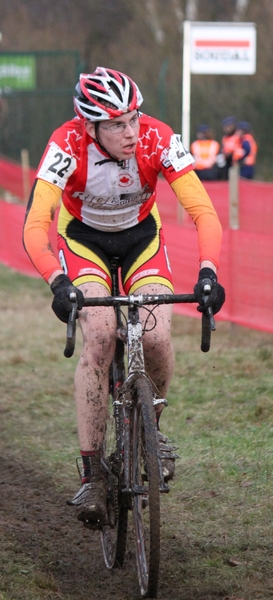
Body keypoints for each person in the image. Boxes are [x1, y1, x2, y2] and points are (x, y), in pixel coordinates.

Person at [23, 66, 225, 528]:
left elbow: (202, 210)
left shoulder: (157, 137)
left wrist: (208, 270)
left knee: (155, 336)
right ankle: (93, 472)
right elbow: (37, 224)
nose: (130, 131)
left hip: (141, 241)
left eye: (133, 117)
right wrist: (57, 281)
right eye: (116, 124)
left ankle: (152, 433)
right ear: (89, 126)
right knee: (98, 336)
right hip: (85, 243)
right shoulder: (66, 143)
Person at [218, 116, 239, 180]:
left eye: (228, 127)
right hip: (227, 162)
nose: (227, 129)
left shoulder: (238, 136)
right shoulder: (225, 138)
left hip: (235, 162)